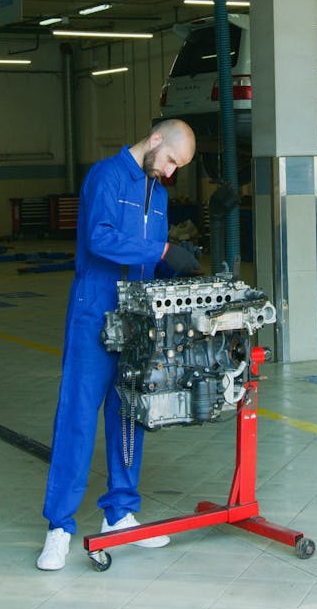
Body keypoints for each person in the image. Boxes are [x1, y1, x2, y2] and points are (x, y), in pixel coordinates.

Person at [37, 119, 199, 570]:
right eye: (169, 160)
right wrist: (164, 251)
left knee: (130, 416)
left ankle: (120, 514)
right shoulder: (105, 176)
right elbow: (101, 238)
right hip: (95, 314)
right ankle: (59, 527)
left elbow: (149, 260)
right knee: (77, 420)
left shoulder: (159, 193)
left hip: (137, 321)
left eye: (177, 168)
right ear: (154, 141)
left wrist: (181, 268)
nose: (169, 173)